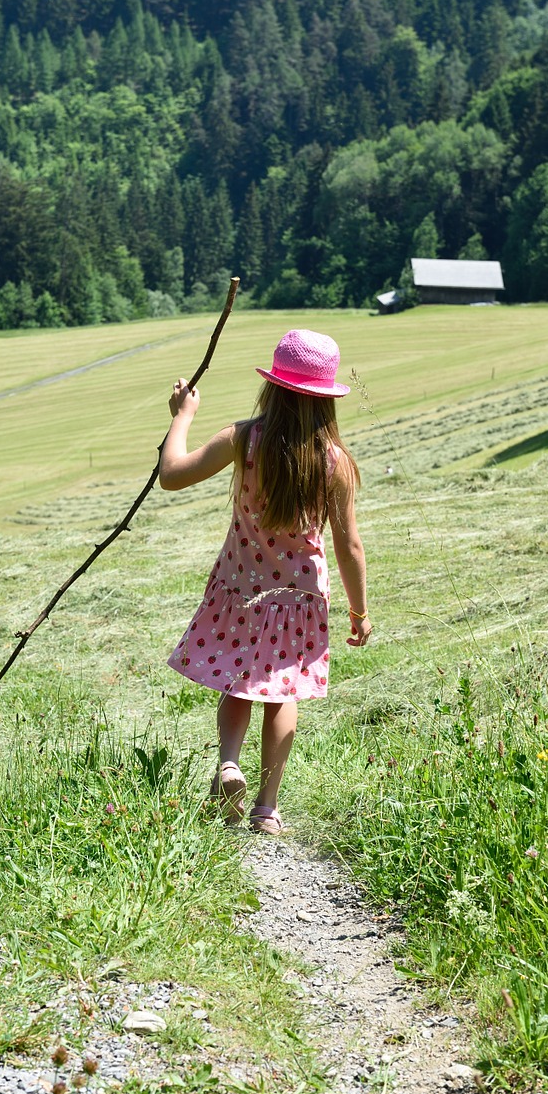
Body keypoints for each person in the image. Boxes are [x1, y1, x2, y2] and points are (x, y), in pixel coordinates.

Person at [159, 329, 371, 835]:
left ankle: (229, 762)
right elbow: (350, 547)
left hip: (240, 589)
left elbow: (171, 474)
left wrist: (182, 416)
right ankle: (267, 807)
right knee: (281, 694)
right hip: (299, 601)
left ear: (272, 387)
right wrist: (359, 613)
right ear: (327, 401)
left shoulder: (242, 439)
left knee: (236, 678)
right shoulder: (335, 463)